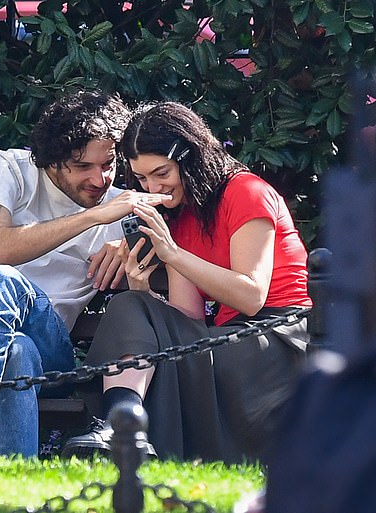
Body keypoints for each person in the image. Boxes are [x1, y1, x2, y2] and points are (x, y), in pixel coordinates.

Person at [0, 90, 172, 459]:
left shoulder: (121, 209)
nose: (100, 180)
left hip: (50, 358)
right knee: (9, 319)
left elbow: (147, 300)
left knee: (16, 319)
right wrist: (93, 218)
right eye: (83, 166)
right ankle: (14, 482)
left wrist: (129, 250)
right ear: (51, 161)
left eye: (108, 164)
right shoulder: (4, 169)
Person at [61, 101, 313, 463]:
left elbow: (252, 296)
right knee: (131, 304)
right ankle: (120, 423)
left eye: (161, 172)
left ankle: (136, 437)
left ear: (189, 158)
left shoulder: (246, 192)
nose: (154, 186)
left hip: (275, 337)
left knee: (180, 354)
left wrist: (173, 254)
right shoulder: (179, 215)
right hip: (227, 337)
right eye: (143, 178)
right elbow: (187, 315)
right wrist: (142, 291)